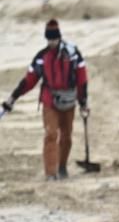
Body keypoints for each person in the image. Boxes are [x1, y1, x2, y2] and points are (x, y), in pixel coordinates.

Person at [4, 19, 88, 181]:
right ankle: (51, 173)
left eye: (54, 39)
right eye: (49, 40)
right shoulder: (41, 57)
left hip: (69, 100)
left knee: (67, 136)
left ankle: (62, 166)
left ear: (59, 37)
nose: (51, 43)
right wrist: (12, 97)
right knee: (50, 134)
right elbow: (28, 81)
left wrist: (83, 103)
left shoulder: (73, 55)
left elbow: (82, 79)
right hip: (50, 101)